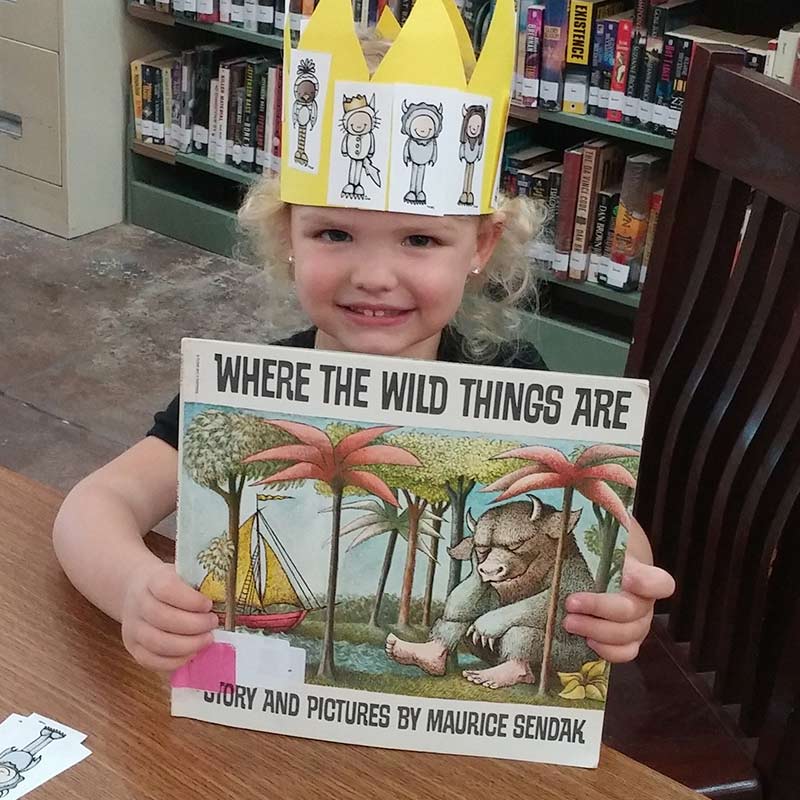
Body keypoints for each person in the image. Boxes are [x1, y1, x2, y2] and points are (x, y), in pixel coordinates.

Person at [52, 30, 674, 678]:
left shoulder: (515, 382)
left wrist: (621, 596)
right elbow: (90, 509)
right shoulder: (253, 391)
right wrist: (133, 589)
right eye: (336, 232)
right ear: (287, 231)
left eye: (419, 239)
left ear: (481, 246)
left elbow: (616, 540)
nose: (375, 274)